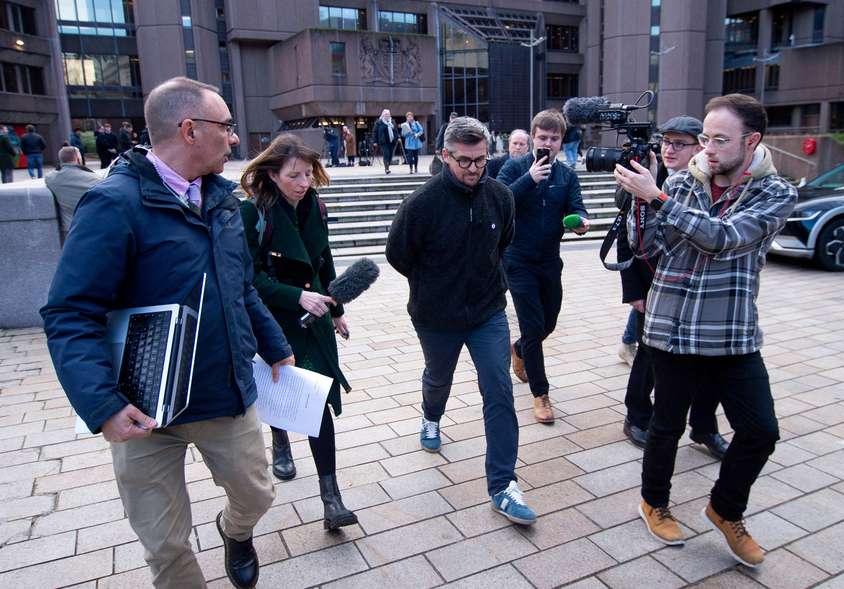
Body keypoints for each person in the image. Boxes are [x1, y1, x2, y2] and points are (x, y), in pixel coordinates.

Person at [41, 76, 294, 589]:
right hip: (140, 411)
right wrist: (102, 406)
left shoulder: (223, 201)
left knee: (257, 495)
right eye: (226, 126)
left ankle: (234, 531)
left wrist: (275, 346)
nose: (234, 138)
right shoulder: (113, 204)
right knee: (165, 543)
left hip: (223, 393)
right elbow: (70, 312)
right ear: (190, 130)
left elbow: (242, 286)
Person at [614, 94, 796, 568]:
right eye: (704, 139)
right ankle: (654, 503)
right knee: (666, 426)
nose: (708, 150)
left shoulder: (775, 192)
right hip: (671, 328)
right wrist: (637, 207)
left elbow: (725, 240)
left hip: (731, 333)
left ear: (751, 141)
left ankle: (724, 509)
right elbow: (653, 247)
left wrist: (659, 198)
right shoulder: (682, 181)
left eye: (720, 140)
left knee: (760, 431)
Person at [386, 116, 536, 526]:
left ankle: (503, 485)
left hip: (487, 311)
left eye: (480, 161)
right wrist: (436, 283)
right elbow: (398, 255)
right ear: (444, 156)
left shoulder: (501, 196)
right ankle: (431, 414)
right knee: (439, 377)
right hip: (436, 316)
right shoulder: (420, 204)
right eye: (464, 161)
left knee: (499, 389)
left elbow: (502, 240)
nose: (473, 169)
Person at [238, 134, 358, 531]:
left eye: (308, 173)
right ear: (272, 174)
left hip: (315, 319)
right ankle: (281, 439)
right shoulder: (250, 213)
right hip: (273, 319)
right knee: (282, 387)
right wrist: (296, 297)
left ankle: (331, 497)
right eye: (294, 175)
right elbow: (247, 279)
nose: (304, 182)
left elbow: (323, 261)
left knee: (317, 401)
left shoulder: (314, 206)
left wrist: (335, 309)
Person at [617, 116, 729, 461]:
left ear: (700, 147)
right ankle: (636, 416)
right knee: (649, 356)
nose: (669, 149)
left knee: (710, 361)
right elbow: (626, 236)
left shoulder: (715, 180)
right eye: (665, 141)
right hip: (654, 287)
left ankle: (704, 426)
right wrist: (634, 291)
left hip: (702, 291)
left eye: (679, 143)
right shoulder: (644, 176)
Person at [497, 110, 590, 423]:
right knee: (534, 327)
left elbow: (577, 208)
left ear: (561, 141)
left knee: (547, 323)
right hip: (517, 259)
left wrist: (581, 222)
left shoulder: (567, 175)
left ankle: (520, 349)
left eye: (554, 138)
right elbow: (497, 200)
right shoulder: (515, 167)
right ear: (533, 137)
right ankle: (541, 394)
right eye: (542, 137)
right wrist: (529, 179)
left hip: (550, 260)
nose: (548, 143)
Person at [44, 146, 100, 235]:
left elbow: (50, 174)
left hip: (70, 229)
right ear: (78, 158)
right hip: (94, 227)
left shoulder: (51, 178)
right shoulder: (96, 179)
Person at [430, 111, 457, 175]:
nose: (453, 119)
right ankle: (446, 174)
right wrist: (437, 148)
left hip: (455, 148)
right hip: (445, 148)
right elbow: (440, 137)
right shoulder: (445, 126)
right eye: (452, 118)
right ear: (450, 118)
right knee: (446, 161)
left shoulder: (457, 127)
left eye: (454, 118)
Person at [374, 109, 398, 175]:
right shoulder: (379, 122)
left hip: (392, 141)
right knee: (386, 154)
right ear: (383, 115)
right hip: (383, 142)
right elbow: (375, 132)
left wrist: (397, 137)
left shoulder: (392, 122)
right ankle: (387, 169)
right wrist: (375, 141)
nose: (387, 115)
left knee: (390, 155)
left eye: (388, 114)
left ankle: (388, 165)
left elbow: (396, 131)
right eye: (385, 114)